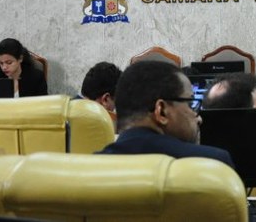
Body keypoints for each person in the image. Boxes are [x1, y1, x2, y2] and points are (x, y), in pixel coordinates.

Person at [97, 61, 234, 167]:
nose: (199, 118)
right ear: (161, 110)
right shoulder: (214, 164)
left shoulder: (86, 171)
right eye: (190, 104)